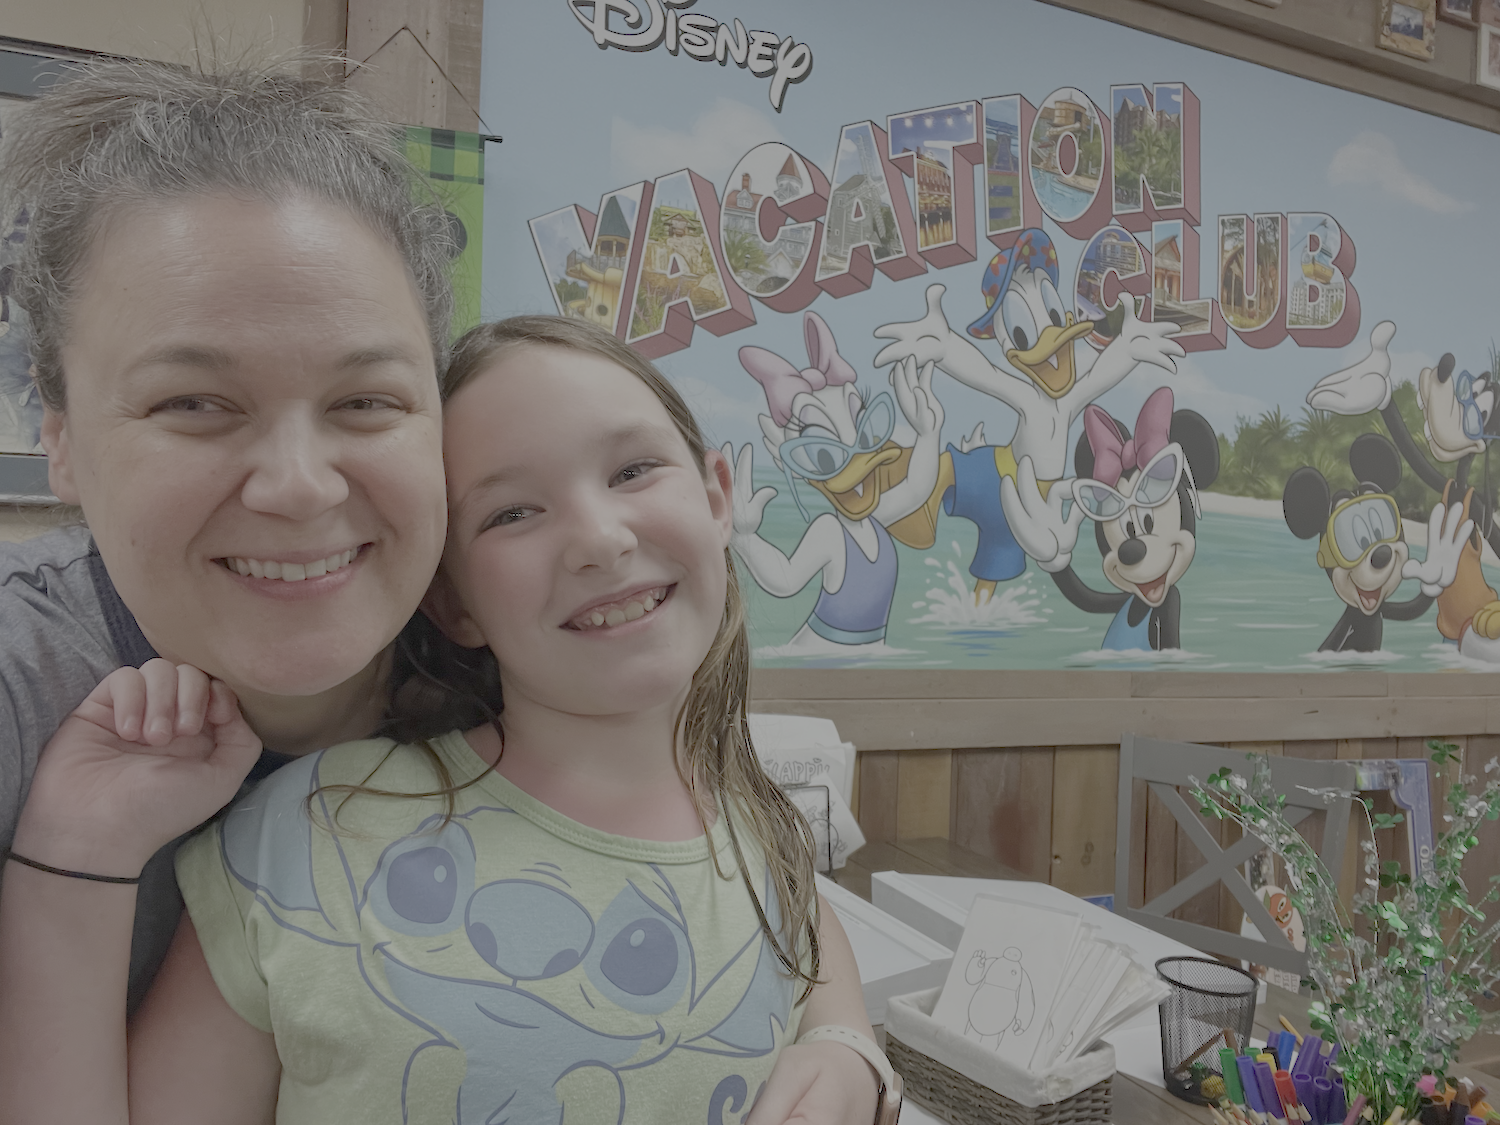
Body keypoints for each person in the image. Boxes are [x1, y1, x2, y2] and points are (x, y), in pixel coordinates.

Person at [8, 316, 891, 1123]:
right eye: (512, 513)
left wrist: (846, 1042)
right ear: (451, 600)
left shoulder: (762, 830)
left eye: (632, 470)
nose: (600, 538)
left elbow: (803, 922)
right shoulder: (312, 835)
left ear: (717, 495)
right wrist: (76, 847)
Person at [0, 48, 455, 1076]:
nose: (299, 486)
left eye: (365, 401)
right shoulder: (19, 686)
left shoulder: (514, 647)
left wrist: (823, 1028)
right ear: (60, 438)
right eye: (194, 403)